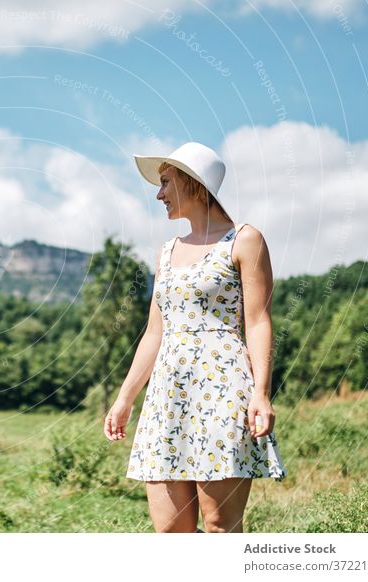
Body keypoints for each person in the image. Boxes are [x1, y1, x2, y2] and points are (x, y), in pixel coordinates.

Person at [103, 142, 287, 533]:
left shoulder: (244, 240)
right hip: (167, 396)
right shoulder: (166, 252)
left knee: (220, 526)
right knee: (171, 532)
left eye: (166, 182)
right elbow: (155, 331)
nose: (159, 193)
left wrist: (261, 392)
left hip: (223, 393)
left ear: (194, 184)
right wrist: (124, 399)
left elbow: (257, 322)